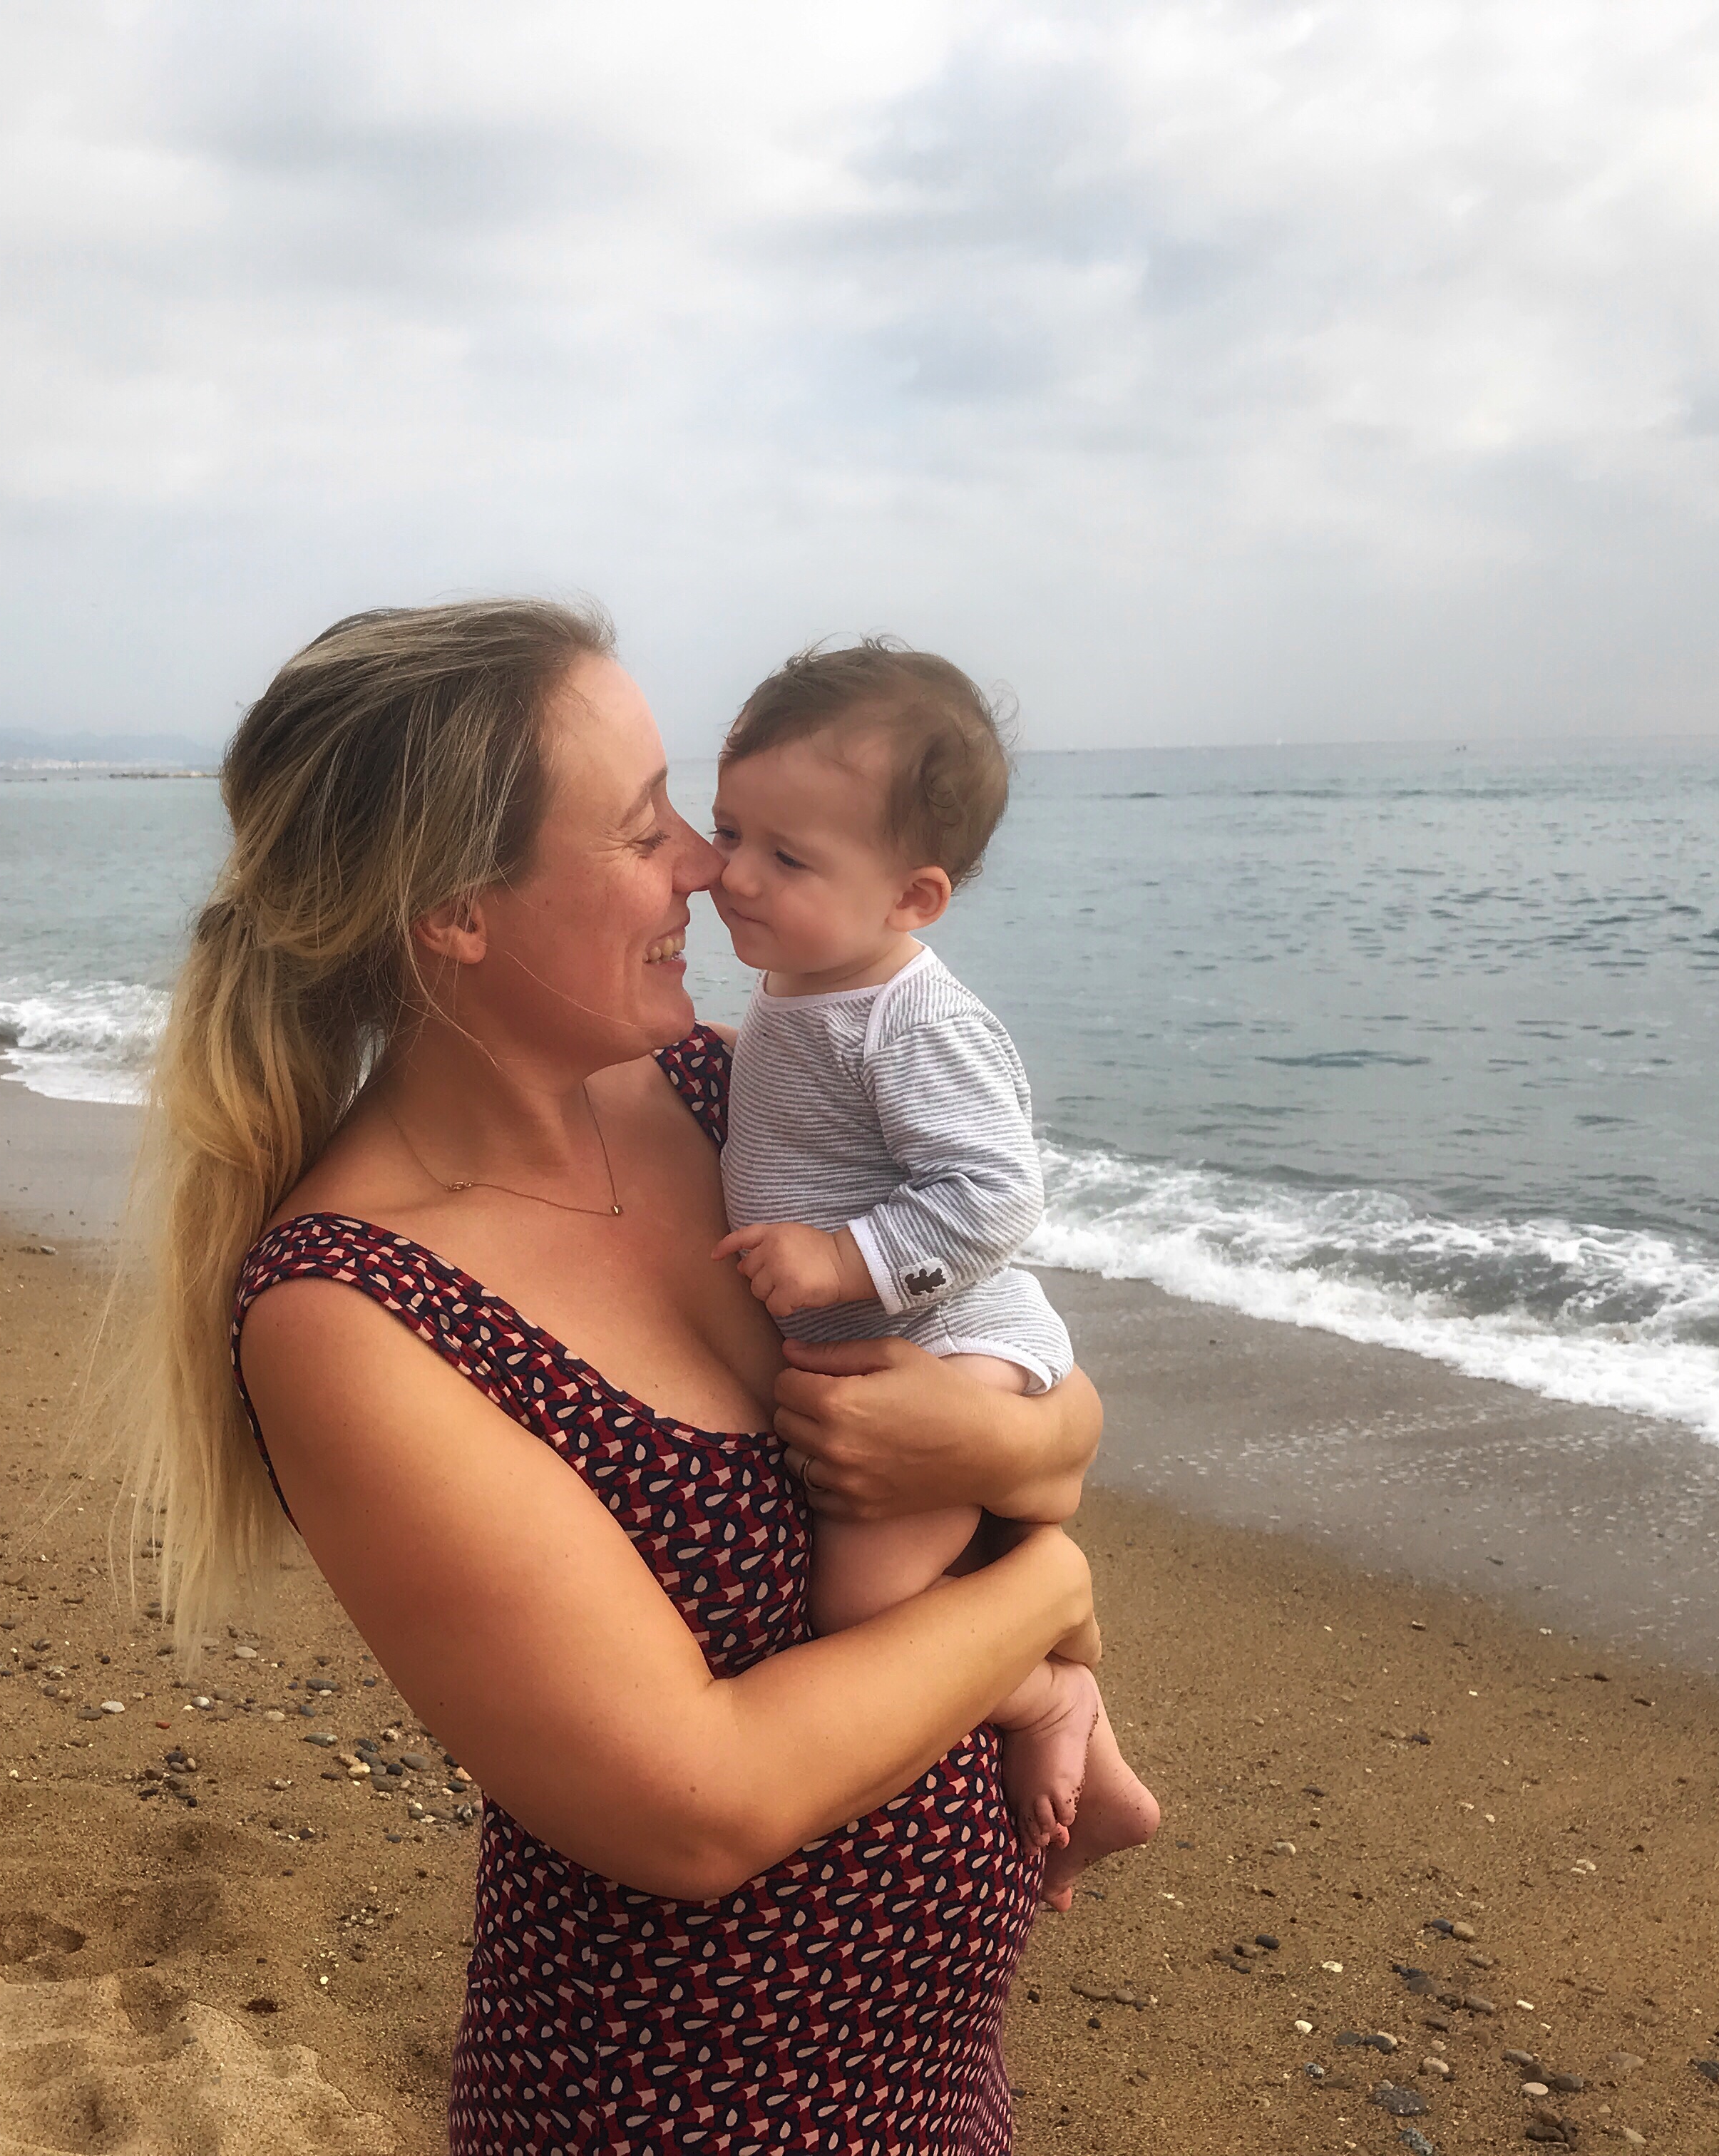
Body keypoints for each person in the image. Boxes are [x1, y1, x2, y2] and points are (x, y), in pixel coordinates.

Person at [123, 599, 1107, 2152]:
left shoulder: (726, 1094)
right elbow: (693, 1808)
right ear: (456, 911)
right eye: (647, 827)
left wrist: (1011, 1455)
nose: (707, 867)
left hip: (938, 2081)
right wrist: (1046, 1595)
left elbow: (1041, 1383)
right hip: (673, 2106)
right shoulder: (355, 1308)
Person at [705, 640, 1159, 1907]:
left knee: (868, 1606)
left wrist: (843, 1254)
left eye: (787, 857)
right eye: (728, 831)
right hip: (906, 1346)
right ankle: (1098, 1764)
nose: (732, 874)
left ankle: (1046, 1693)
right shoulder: (809, 980)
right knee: (937, 1575)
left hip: (960, 1340)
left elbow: (998, 1192)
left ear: (914, 897)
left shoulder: (913, 1018)